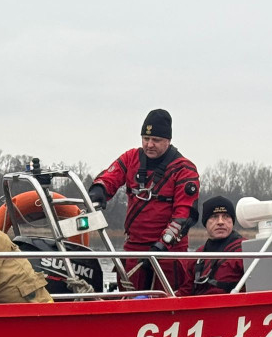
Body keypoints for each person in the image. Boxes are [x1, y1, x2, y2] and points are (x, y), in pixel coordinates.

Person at [89, 109, 200, 291]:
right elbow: (111, 175)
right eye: (145, 139)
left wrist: (162, 245)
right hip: (135, 249)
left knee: (166, 300)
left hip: (168, 252)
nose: (149, 144)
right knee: (128, 297)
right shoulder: (131, 158)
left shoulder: (184, 169)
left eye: (155, 140)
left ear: (168, 140)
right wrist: (99, 189)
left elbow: (184, 215)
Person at [177, 196, 244, 296]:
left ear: (232, 221)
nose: (220, 222)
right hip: (200, 308)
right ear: (205, 222)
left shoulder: (245, 250)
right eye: (214, 217)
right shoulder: (198, 255)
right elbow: (185, 291)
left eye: (226, 216)